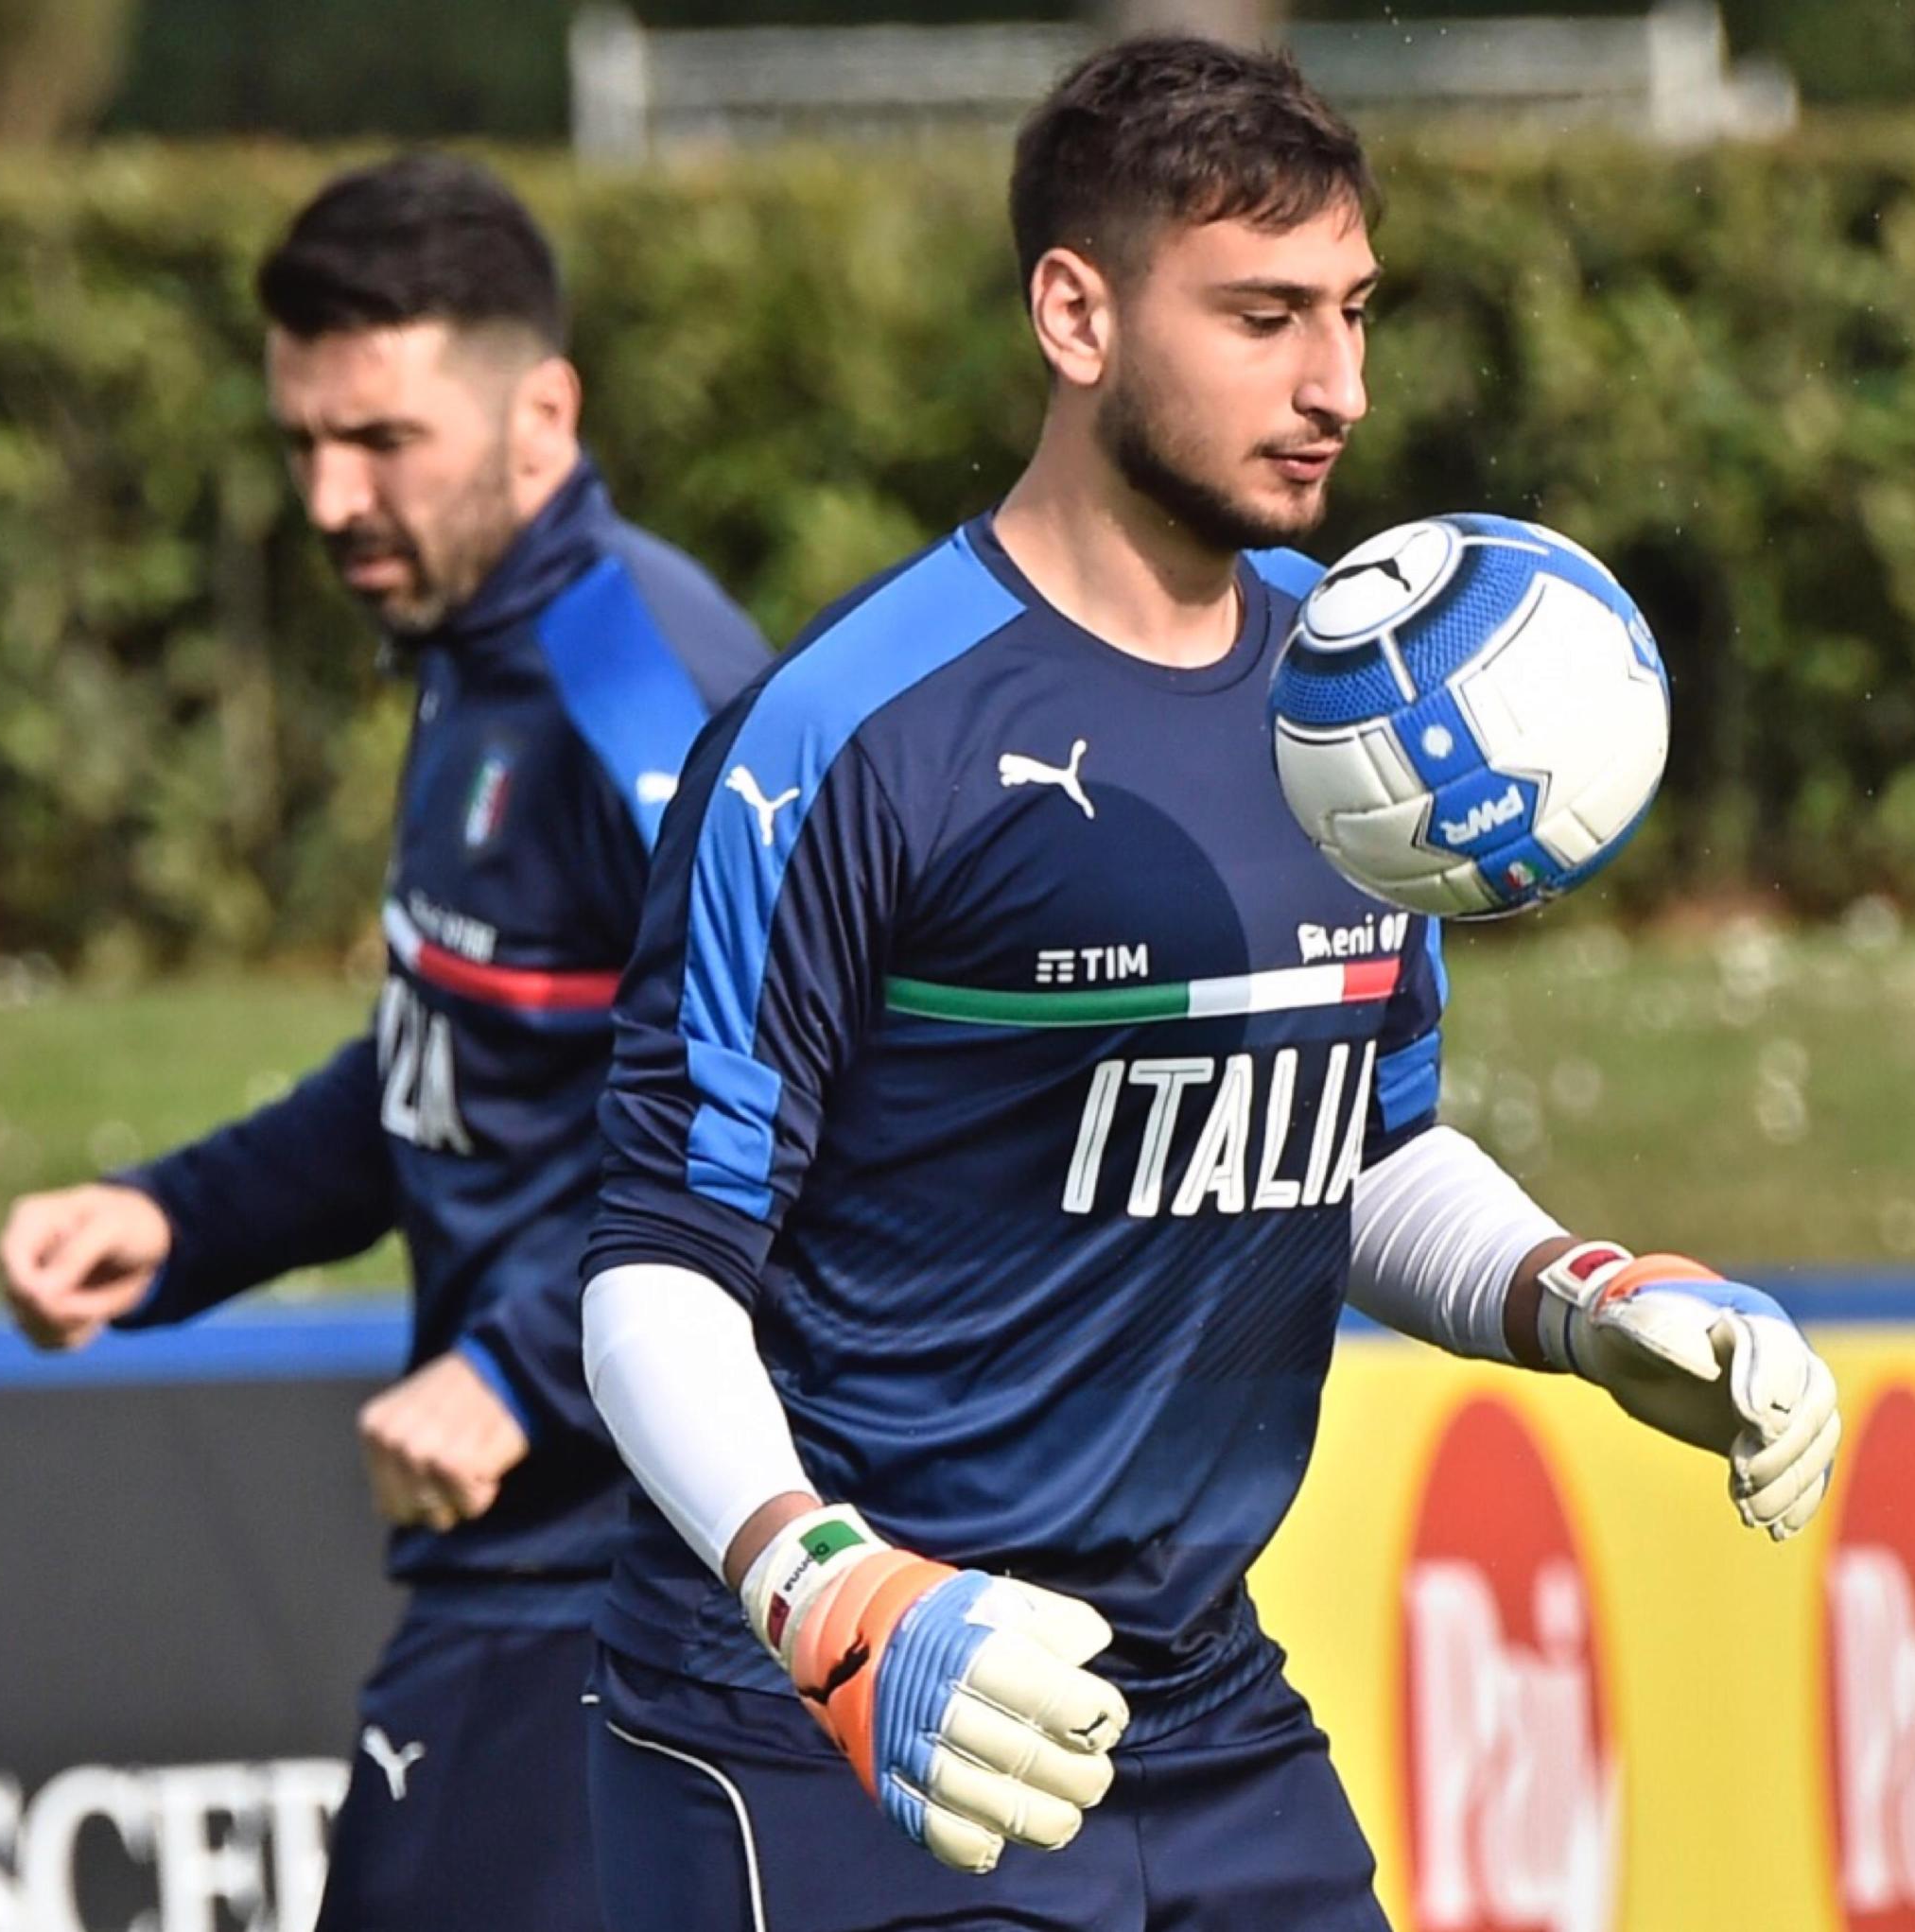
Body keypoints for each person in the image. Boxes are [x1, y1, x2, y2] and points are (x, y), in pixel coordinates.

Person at [574, 38, 1843, 1932]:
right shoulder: (845, 737)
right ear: (1075, 315)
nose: (1338, 385)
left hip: (1195, 1709)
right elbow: (655, 1267)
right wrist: (831, 1595)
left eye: (1354, 309)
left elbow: (1359, 1146)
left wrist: (1583, 1297)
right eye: (1263, 316)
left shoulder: (1358, 704)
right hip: (841, 1723)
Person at [0, 154, 769, 1931]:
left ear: (541, 414)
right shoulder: (472, 643)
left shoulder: (639, 694)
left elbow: (812, 1114)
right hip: (524, 1565)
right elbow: (445, 1067)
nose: (334, 498)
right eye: (301, 443)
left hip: (640, 1578)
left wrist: (521, 1372)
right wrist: (174, 1218)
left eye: (384, 441)